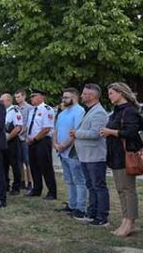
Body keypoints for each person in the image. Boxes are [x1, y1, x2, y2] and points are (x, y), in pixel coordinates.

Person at [100, 82, 143, 237]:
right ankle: (125, 221)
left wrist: (111, 132)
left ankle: (130, 223)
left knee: (128, 190)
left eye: (111, 93)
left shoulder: (129, 111)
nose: (109, 96)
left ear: (121, 93)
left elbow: (131, 132)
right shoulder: (117, 111)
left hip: (125, 155)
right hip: (115, 155)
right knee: (121, 190)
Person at [70, 83, 110, 227]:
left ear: (92, 96)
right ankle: (92, 213)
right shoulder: (89, 110)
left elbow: (95, 133)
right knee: (91, 186)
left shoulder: (99, 112)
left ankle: (102, 216)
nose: (82, 96)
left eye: (84, 93)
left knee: (98, 186)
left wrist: (77, 133)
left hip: (95, 155)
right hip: (86, 155)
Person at [53, 88, 87, 218]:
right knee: (69, 180)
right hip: (62, 152)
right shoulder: (62, 113)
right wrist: (55, 144)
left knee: (79, 180)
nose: (63, 99)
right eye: (63, 97)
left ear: (75, 98)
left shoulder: (80, 111)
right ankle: (72, 204)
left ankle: (80, 207)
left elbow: (75, 132)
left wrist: (64, 145)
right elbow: (56, 130)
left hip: (73, 151)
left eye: (66, 97)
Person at [25, 89, 56, 199]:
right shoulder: (32, 110)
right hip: (31, 141)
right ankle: (37, 189)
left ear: (42, 97)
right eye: (31, 96)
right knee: (34, 166)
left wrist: (35, 139)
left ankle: (52, 192)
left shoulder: (47, 110)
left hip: (42, 141)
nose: (31, 98)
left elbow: (46, 128)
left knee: (46, 167)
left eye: (34, 96)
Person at [1, 93, 23, 195]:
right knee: (3, 164)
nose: (1, 103)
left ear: (9, 101)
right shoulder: (1, 111)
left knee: (15, 165)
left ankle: (16, 186)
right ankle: (5, 184)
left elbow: (18, 128)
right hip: (2, 141)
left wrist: (8, 138)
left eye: (3, 101)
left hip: (12, 141)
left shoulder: (15, 111)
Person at [15, 89, 34, 191]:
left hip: (25, 137)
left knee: (28, 161)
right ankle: (22, 181)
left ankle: (30, 181)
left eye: (19, 97)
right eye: (16, 97)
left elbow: (29, 123)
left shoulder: (29, 108)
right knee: (19, 161)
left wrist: (21, 131)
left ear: (24, 96)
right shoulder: (16, 108)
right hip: (17, 138)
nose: (17, 99)